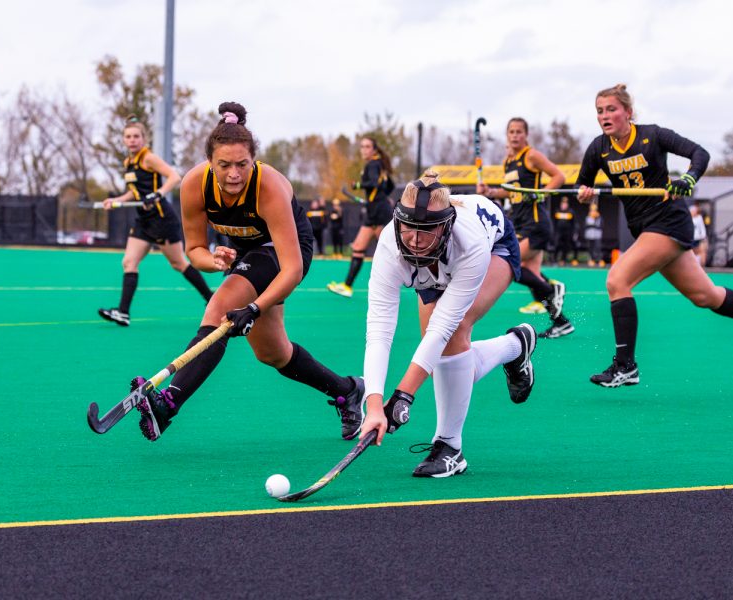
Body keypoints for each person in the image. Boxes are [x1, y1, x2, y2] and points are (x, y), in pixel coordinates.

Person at [133, 102, 364, 442]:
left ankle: (168, 403)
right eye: (224, 165)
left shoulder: (268, 187)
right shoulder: (194, 186)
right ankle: (347, 390)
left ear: (253, 160)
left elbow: (292, 269)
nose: (234, 174)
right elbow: (194, 251)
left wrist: (253, 308)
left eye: (242, 164)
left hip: (288, 252)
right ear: (210, 163)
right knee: (273, 353)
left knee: (220, 306)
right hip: (246, 254)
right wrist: (215, 260)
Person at [576, 84, 733, 387]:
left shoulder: (653, 135)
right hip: (646, 229)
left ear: (628, 112)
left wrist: (688, 177)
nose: (605, 116)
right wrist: (584, 195)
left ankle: (625, 366)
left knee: (617, 280)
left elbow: (699, 153)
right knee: (706, 296)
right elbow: (582, 187)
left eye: (611, 109)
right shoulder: (599, 148)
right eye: (600, 111)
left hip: (668, 221)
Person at [358, 171, 536, 478]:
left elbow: (441, 329)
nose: (414, 240)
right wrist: (374, 404)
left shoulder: (471, 243)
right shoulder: (391, 244)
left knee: (452, 333)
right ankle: (515, 346)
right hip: (436, 266)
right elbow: (379, 330)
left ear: (446, 226)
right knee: (443, 355)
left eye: (425, 230)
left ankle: (449, 447)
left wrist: (403, 395)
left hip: (495, 247)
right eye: (408, 228)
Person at [97, 116, 213, 326]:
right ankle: (123, 312)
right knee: (129, 262)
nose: (132, 140)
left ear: (144, 139)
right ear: (123, 140)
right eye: (128, 137)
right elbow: (134, 192)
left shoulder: (148, 158)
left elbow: (174, 176)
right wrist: (116, 201)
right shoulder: (128, 163)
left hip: (161, 219)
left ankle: (211, 299)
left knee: (178, 263)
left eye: (136, 136)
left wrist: (158, 194)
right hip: (143, 220)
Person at [477, 117, 575, 339]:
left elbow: (559, 176)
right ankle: (561, 322)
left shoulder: (531, 155)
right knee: (531, 276)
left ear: (526, 135)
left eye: (519, 131)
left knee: (513, 266)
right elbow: (511, 191)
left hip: (536, 222)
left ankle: (553, 290)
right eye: (511, 131)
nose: (514, 135)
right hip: (519, 221)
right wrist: (491, 192)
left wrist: (542, 192)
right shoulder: (507, 161)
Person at [327, 137, 395, 297]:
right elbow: (389, 185)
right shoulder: (380, 165)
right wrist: (380, 197)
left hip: (378, 211)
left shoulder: (373, 164)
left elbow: (373, 183)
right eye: (362, 146)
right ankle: (347, 286)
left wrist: (357, 185)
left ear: (374, 149)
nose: (364, 150)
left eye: (367, 147)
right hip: (376, 209)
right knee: (358, 246)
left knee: (390, 250)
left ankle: (414, 278)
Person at [553, 197, 578, 266]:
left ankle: (563, 260)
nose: (564, 205)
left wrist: (574, 233)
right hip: (558, 232)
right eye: (563, 203)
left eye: (565, 203)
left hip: (567, 233)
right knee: (557, 245)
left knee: (565, 247)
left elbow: (574, 223)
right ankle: (554, 259)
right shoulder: (557, 211)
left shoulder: (571, 212)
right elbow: (554, 222)